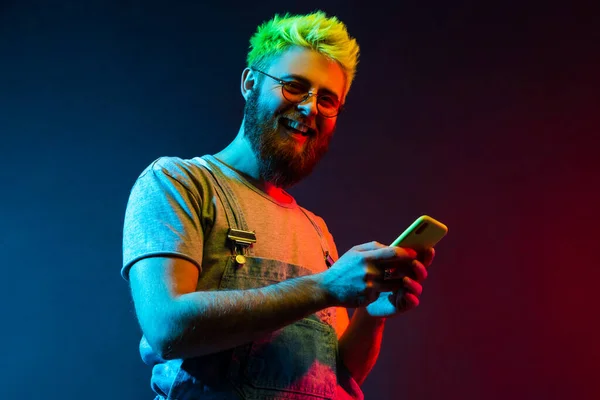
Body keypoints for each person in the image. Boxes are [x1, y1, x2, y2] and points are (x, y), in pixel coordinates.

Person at [122, 11, 435, 400]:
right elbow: (167, 327)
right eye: (293, 87)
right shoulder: (178, 183)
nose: (309, 108)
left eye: (327, 99)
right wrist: (326, 287)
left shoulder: (316, 230)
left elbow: (335, 374)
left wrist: (372, 312)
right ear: (250, 83)